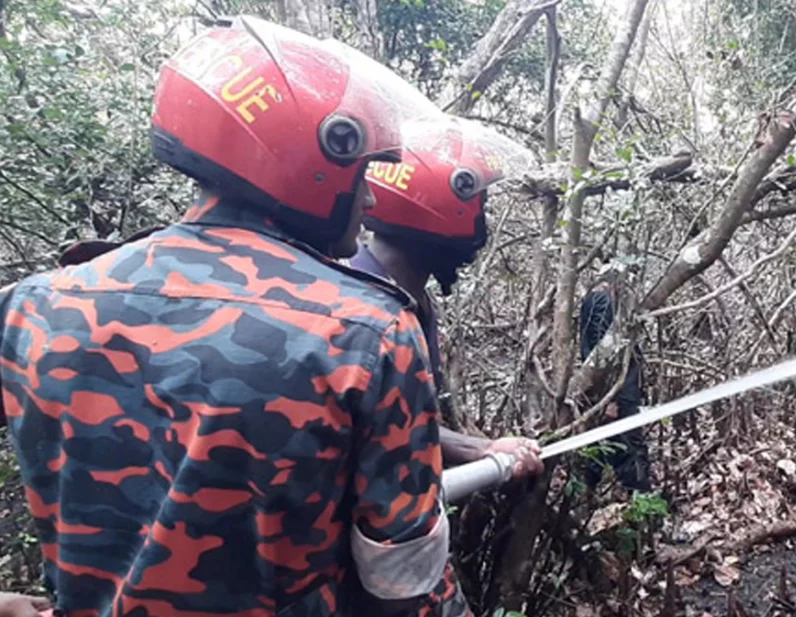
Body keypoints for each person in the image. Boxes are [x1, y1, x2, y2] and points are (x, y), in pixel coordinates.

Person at [0, 15, 468, 617]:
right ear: (313, 162)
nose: (372, 199)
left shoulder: (32, 305)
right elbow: (403, 581)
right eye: (363, 175)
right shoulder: (366, 333)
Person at [349, 117, 545, 482]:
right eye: (479, 204)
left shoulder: (412, 301)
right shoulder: (357, 310)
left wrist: (482, 449)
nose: (481, 225)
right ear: (438, 212)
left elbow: (402, 425)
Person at [577, 267, 653, 493]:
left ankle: (586, 495)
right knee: (629, 446)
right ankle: (643, 505)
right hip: (617, 391)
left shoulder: (601, 298)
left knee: (604, 445)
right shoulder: (603, 301)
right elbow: (603, 353)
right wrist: (610, 398)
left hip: (616, 388)